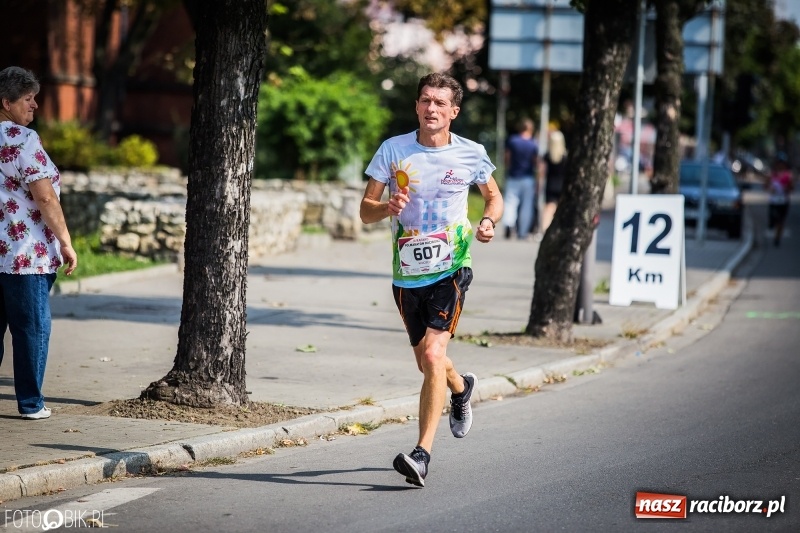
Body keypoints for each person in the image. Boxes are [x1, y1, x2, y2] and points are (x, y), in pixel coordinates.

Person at [360, 72, 503, 487]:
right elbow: (365, 211)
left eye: (440, 103)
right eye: (425, 101)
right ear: (417, 107)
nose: (431, 109)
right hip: (406, 273)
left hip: (453, 265)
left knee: (434, 356)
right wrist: (387, 207)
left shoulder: (471, 153)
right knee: (428, 362)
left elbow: (493, 196)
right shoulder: (393, 150)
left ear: (453, 112)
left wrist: (489, 221)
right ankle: (461, 388)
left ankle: (421, 454)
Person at [0, 66, 78, 420]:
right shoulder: (23, 141)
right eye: (28, 100)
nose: (34, 107)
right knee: (31, 328)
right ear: (6, 102)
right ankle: (31, 404)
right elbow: (45, 198)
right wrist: (65, 241)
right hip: (24, 255)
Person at [501, 118, 538, 240]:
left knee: (510, 202)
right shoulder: (533, 144)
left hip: (513, 176)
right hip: (528, 177)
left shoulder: (513, 141)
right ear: (530, 129)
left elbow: (507, 158)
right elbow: (535, 162)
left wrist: (508, 169)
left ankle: (508, 224)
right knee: (527, 205)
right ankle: (522, 231)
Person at [541, 128, 568, 233]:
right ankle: (559, 231)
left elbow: (542, 171)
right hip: (562, 185)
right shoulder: (565, 157)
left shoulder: (547, 156)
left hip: (550, 185)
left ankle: (544, 230)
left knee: (548, 209)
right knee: (560, 210)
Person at [767, 152, 793, 247]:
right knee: (773, 220)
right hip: (773, 201)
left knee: (781, 221)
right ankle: (772, 225)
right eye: (779, 162)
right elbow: (766, 186)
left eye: (782, 163)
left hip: (783, 201)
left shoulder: (788, 175)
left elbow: (791, 188)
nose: (781, 165)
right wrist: (771, 189)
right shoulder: (772, 174)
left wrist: (787, 188)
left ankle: (777, 238)